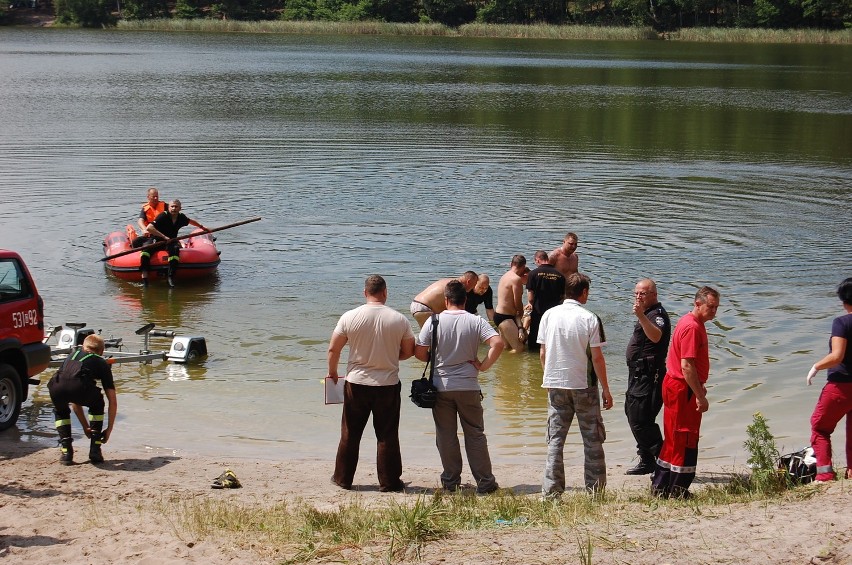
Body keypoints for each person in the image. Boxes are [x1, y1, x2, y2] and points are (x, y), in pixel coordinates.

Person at [328, 275, 416, 492]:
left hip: (356, 383)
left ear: (365, 293)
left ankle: (343, 479)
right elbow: (409, 351)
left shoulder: (350, 316)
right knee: (387, 434)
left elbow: (334, 349)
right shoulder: (399, 319)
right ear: (385, 292)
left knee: (350, 433)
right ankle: (389, 482)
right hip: (387, 384)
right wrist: (390, 357)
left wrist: (333, 374)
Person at [414, 280, 504, 494]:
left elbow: (419, 353)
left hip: (441, 387)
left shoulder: (433, 321)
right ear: (465, 299)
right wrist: (483, 366)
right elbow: (498, 343)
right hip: (468, 386)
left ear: (446, 300)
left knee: (446, 435)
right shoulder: (476, 321)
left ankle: (450, 482)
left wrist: (434, 357)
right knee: (475, 434)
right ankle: (485, 483)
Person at [537, 273, 613, 497]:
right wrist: (606, 390)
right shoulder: (590, 318)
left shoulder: (548, 315)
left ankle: (551, 492)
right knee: (592, 440)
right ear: (584, 292)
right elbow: (597, 358)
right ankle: (595, 491)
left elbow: (543, 352)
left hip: (555, 385)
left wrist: (548, 378)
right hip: (584, 386)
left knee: (555, 441)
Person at [651, 286, 720, 498]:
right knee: (685, 436)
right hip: (682, 387)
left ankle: (661, 486)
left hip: (676, 384)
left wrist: (698, 385)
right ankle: (677, 489)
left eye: (717, 307)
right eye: (711, 307)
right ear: (697, 303)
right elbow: (687, 366)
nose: (714, 311)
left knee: (674, 435)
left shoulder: (689, 321)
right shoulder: (692, 327)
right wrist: (700, 395)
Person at [806, 277, 852, 482]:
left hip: (841, 386)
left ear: (844, 301)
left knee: (820, 427)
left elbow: (837, 356)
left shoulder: (842, 322)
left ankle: (825, 474)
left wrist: (816, 367)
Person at [623, 279, 671, 475]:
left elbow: (656, 336)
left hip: (650, 376)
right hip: (638, 374)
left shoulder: (657, 315)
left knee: (641, 420)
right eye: (636, 293)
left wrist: (641, 316)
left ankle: (663, 460)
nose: (638, 297)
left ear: (654, 295)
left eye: (642, 293)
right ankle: (647, 460)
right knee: (633, 414)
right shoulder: (647, 313)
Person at [47, 334, 117, 465]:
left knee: (61, 411)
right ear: (102, 351)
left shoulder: (71, 355)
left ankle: (66, 451)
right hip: (79, 388)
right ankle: (95, 449)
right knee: (98, 403)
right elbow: (112, 401)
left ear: (83, 347)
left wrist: (85, 427)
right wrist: (109, 429)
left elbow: (73, 395)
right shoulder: (101, 362)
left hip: (56, 387)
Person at [145, 199, 209, 287]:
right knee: (146, 250)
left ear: (180, 208)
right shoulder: (163, 216)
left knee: (175, 250)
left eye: (176, 207)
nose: (174, 208)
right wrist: (164, 237)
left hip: (171, 240)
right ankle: (145, 277)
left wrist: (202, 227)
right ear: (168, 207)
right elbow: (149, 228)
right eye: (172, 206)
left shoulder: (181, 217)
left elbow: (190, 221)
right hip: (159, 239)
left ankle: (170, 277)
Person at [526, 250, 565, 351]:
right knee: (552, 340)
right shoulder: (560, 275)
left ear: (538, 260)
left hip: (538, 312)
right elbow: (563, 297)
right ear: (547, 259)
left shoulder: (533, 274)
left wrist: (530, 304)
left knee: (535, 342)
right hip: (554, 313)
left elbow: (530, 296)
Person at [411, 271, 478, 328]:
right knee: (436, 337)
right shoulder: (456, 287)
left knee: (428, 336)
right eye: (474, 284)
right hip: (424, 308)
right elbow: (454, 309)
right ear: (468, 281)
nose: (474, 288)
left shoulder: (449, 281)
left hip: (416, 304)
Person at [129, 187, 167, 285]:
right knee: (135, 242)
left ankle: (145, 276)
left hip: (161, 235)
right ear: (148, 197)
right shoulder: (145, 208)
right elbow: (140, 220)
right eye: (153, 196)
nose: (155, 198)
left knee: (147, 247)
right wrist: (143, 229)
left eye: (157, 196)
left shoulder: (165, 206)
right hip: (149, 234)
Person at [494, 255, 527, 352]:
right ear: (523, 267)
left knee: (506, 348)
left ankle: (502, 366)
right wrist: (521, 313)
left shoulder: (505, 275)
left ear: (511, 264)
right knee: (519, 348)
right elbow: (517, 301)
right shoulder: (516, 279)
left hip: (499, 315)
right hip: (506, 317)